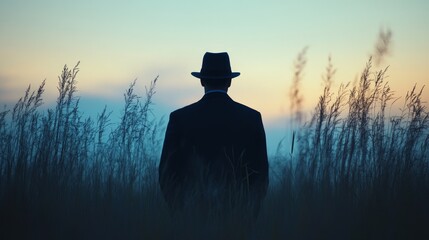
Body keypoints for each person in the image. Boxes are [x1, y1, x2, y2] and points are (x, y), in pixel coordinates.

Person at [159, 52, 268, 218]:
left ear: (201, 81)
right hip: (238, 219)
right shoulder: (251, 118)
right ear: (230, 81)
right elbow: (261, 174)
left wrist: (180, 212)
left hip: (191, 218)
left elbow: (167, 173)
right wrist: (247, 215)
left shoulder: (180, 118)